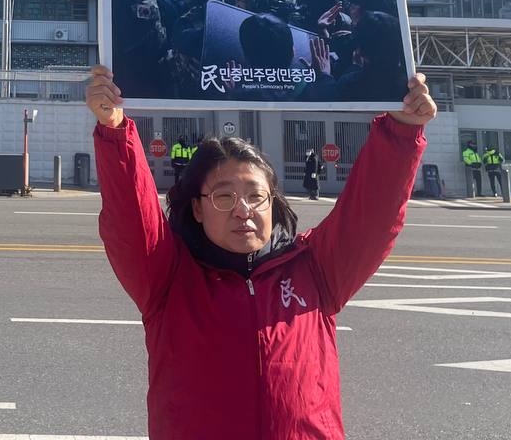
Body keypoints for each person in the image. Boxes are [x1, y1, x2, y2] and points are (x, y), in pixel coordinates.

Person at [86, 64, 435, 440]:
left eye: (255, 196)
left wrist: (402, 129)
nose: (243, 210)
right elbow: (130, 219)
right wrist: (114, 130)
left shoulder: (315, 269)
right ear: (198, 208)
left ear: (272, 202)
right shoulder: (168, 279)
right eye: (224, 196)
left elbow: (373, 215)